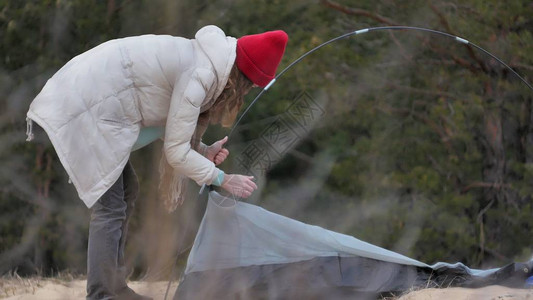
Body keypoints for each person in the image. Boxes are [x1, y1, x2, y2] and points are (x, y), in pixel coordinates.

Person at [25, 25, 288, 300]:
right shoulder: (201, 75)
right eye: (249, 88)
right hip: (85, 102)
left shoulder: (208, 62)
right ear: (241, 79)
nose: (243, 95)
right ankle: (102, 293)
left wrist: (203, 150)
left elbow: (174, 129)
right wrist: (222, 178)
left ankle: (113, 287)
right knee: (110, 205)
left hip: (96, 99)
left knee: (127, 191)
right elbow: (176, 152)